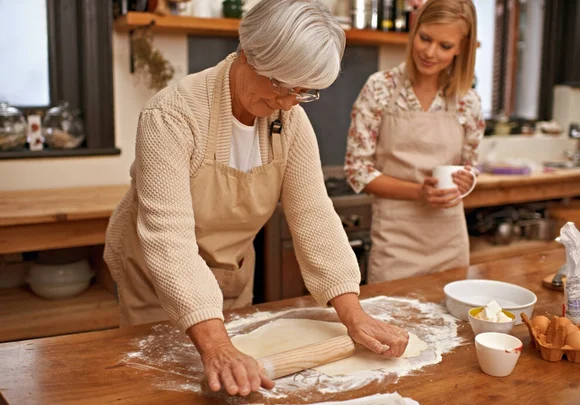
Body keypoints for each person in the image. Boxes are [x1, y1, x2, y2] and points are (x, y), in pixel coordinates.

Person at [104, 0, 409, 397]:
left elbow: (314, 215)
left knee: (232, 388)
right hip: (155, 281)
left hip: (230, 275)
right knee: (160, 388)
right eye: (281, 86)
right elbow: (169, 242)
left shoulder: (291, 121)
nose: (287, 103)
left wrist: (352, 313)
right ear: (247, 53)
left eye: (303, 92)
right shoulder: (172, 116)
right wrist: (215, 346)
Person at [344, 0, 485, 283]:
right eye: (425, 38)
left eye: (445, 46)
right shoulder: (379, 88)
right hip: (395, 244)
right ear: (414, 29)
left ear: (462, 47)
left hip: (450, 243)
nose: (430, 52)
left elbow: (470, 166)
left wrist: (466, 181)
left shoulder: (467, 100)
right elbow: (357, 171)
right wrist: (419, 193)